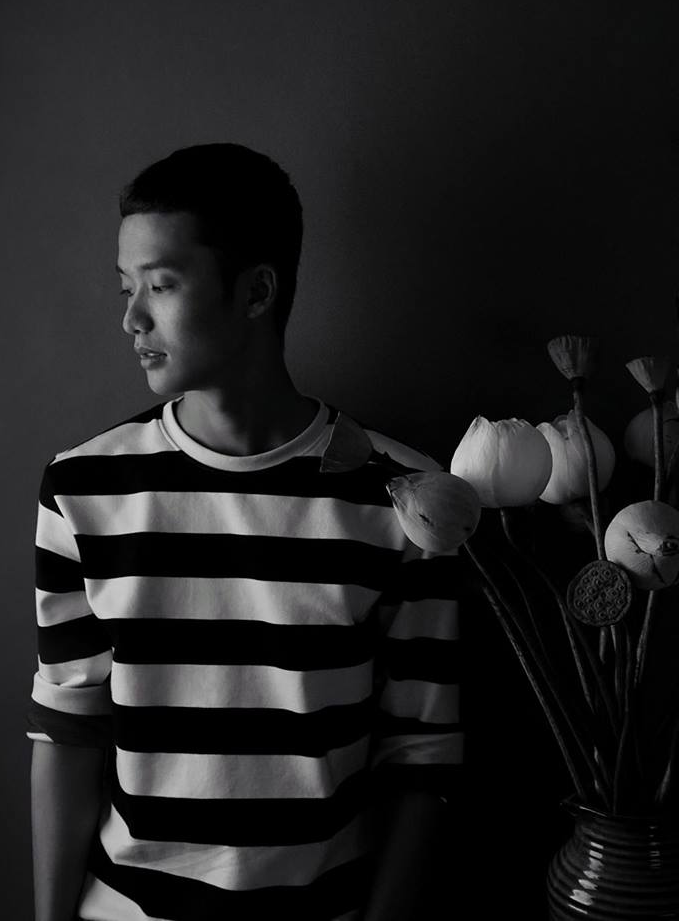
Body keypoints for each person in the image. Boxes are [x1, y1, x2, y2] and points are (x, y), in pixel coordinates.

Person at [28, 143, 463, 921]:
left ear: (257, 291)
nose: (131, 318)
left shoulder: (404, 499)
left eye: (161, 285)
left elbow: (422, 757)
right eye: (127, 287)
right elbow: (67, 733)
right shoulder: (83, 490)